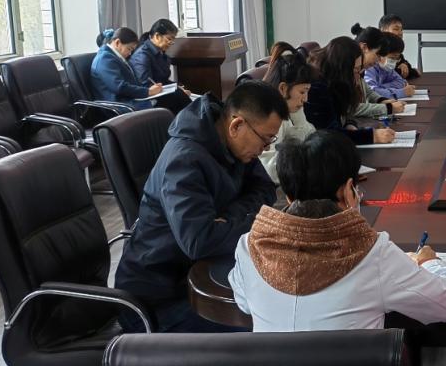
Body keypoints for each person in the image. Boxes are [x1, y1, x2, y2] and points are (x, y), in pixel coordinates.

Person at [229, 130, 446, 366]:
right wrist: (429, 262)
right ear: (347, 191)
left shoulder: (250, 246)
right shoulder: (371, 253)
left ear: (288, 196)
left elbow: (243, 301)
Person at [115, 81, 288, 332]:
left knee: (279, 308)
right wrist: (256, 222)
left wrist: (228, 216)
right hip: (158, 300)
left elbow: (265, 189)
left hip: (200, 276)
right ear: (237, 125)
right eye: (265, 139)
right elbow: (200, 241)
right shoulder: (184, 161)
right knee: (265, 329)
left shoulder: (235, 145)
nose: (266, 148)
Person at [305, 37, 396, 146]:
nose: (358, 76)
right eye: (355, 70)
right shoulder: (317, 88)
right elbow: (329, 134)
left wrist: (349, 124)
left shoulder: (335, 81)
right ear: (342, 69)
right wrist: (373, 136)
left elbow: (346, 114)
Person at [258, 45, 316, 184]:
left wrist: (298, 116)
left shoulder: (287, 109)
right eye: (302, 92)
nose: (306, 99)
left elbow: (309, 138)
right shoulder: (268, 116)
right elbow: (269, 169)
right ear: (283, 88)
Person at [91, 27, 162, 110]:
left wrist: (148, 90)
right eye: (129, 49)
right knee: (162, 107)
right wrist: (148, 92)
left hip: (128, 100)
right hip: (118, 105)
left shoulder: (113, 56)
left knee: (164, 102)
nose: (130, 53)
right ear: (117, 42)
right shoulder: (104, 59)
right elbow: (119, 87)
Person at [129, 18, 190, 113]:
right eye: (169, 39)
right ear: (157, 36)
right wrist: (177, 91)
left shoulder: (161, 53)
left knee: (188, 97)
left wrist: (177, 87)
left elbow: (163, 80)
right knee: (182, 100)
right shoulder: (142, 56)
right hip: (148, 99)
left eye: (173, 39)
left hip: (160, 93)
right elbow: (146, 85)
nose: (171, 43)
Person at [350, 23, 405, 117]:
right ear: (364, 48)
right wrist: (388, 108)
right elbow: (351, 108)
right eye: (378, 55)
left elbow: (369, 92)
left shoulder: (360, 69)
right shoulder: (347, 68)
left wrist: (383, 100)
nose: (378, 61)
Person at [364, 32, 415, 100]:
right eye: (392, 58)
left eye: (397, 59)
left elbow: (401, 82)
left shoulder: (386, 68)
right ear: (381, 53)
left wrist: (381, 87)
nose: (394, 61)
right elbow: (372, 93)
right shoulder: (369, 68)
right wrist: (402, 92)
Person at [379, 13, 419, 79]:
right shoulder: (378, 48)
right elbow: (389, 73)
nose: (400, 33)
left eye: (401, 30)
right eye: (396, 29)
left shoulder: (395, 48)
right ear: (383, 30)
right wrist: (411, 71)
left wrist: (405, 64)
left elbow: (408, 69)